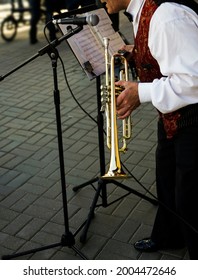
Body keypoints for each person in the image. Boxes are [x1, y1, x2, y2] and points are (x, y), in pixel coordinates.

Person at [100, 0, 198, 259]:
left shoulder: (166, 16)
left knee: (191, 200)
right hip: (174, 115)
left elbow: (193, 82)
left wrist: (139, 92)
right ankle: (170, 236)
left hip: (193, 118)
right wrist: (139, 51)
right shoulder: (146, 11)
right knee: (166, 176)